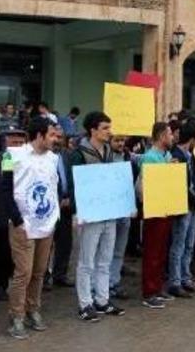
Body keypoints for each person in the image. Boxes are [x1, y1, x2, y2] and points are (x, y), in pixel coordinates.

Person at [5, 117, 61, 339]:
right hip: (23, 225)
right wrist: (17, 220)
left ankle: (32, 309)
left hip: (46, 225)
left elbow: (55, 187)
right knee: (23, 272)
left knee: (39, 272)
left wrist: (54, 217)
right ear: (39, 135)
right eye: (52, 135)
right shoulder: (11, 155)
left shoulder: (54, 158)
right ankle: (16, 316)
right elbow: (4, 188)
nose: (56, 139)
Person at [70, 112, 125, 321]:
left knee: (105, 260)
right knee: (87, 261)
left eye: (109, 128)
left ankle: (102, 300)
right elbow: (75, 185)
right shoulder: (79, 154)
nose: (109, 132)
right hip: (90, 214)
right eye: (105, 128)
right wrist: (77, 212)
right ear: (93, 130)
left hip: (109, 212)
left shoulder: (109, 151)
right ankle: (85, 304)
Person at [0, 130, 27, 302]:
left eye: (20, 143)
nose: (17, 146)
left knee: (19, 254)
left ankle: (19, 284)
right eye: (14, 142)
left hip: (22, 216)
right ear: (5, 143)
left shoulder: (28, 161)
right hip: (0, 216)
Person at [138, 122, 176, 308]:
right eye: (170, 134)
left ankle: (158, 286)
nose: (172, 137)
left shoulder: (166, 155)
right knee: (152, 251)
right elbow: (149, 183)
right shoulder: (149, 157)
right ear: (161, 136)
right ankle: (149, 291)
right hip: (154, 209)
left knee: (161, 251)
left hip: (166, 207)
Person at [168, 120, 195, 298]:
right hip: (183, 205)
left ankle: (185, 277)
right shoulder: (176, 155)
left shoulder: (189, 155)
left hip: (192, 204)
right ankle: (175, 280)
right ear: (192, 138)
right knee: (179, 244)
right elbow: (181, 184)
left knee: (189, 243)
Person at [109, 135, 134, 299]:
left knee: (119, 249)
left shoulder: (127, 156)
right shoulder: (105, 157)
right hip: (110, 209)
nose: (120, 143)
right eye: (116, 140)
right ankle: (105, 285)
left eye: (122, 140)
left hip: (125, 207)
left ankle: (114, 281)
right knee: (107, 250)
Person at [49, 127, 74, 290]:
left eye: (60, 137)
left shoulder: (68, 156)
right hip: (49, 207)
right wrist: (57, 200)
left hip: (66, 207)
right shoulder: (43, 157)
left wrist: (69, 198)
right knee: (46, 243)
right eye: (54, 136)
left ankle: (60, 274)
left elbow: (73, 179)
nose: (57, 140)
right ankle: (43, 276)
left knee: (65, 242)